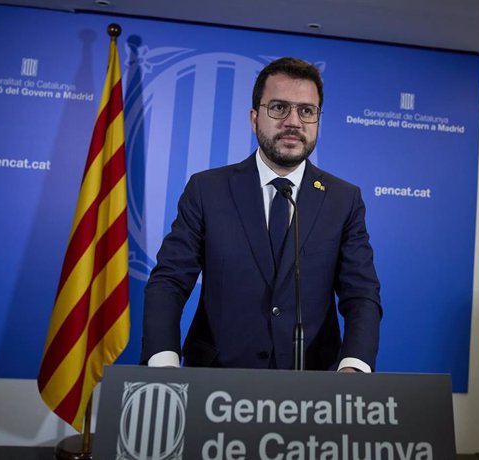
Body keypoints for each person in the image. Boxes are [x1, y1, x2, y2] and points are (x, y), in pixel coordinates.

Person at [141, 57, 381, 372]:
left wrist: (354, 366)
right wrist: (163, 362)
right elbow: (170, 280)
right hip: (216, 383)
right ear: (254, 118)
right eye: (279, 108)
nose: (293, 122)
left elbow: (361, 293)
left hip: (313, 387)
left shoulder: (343, 199)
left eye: (306, 111)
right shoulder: (207, 190)